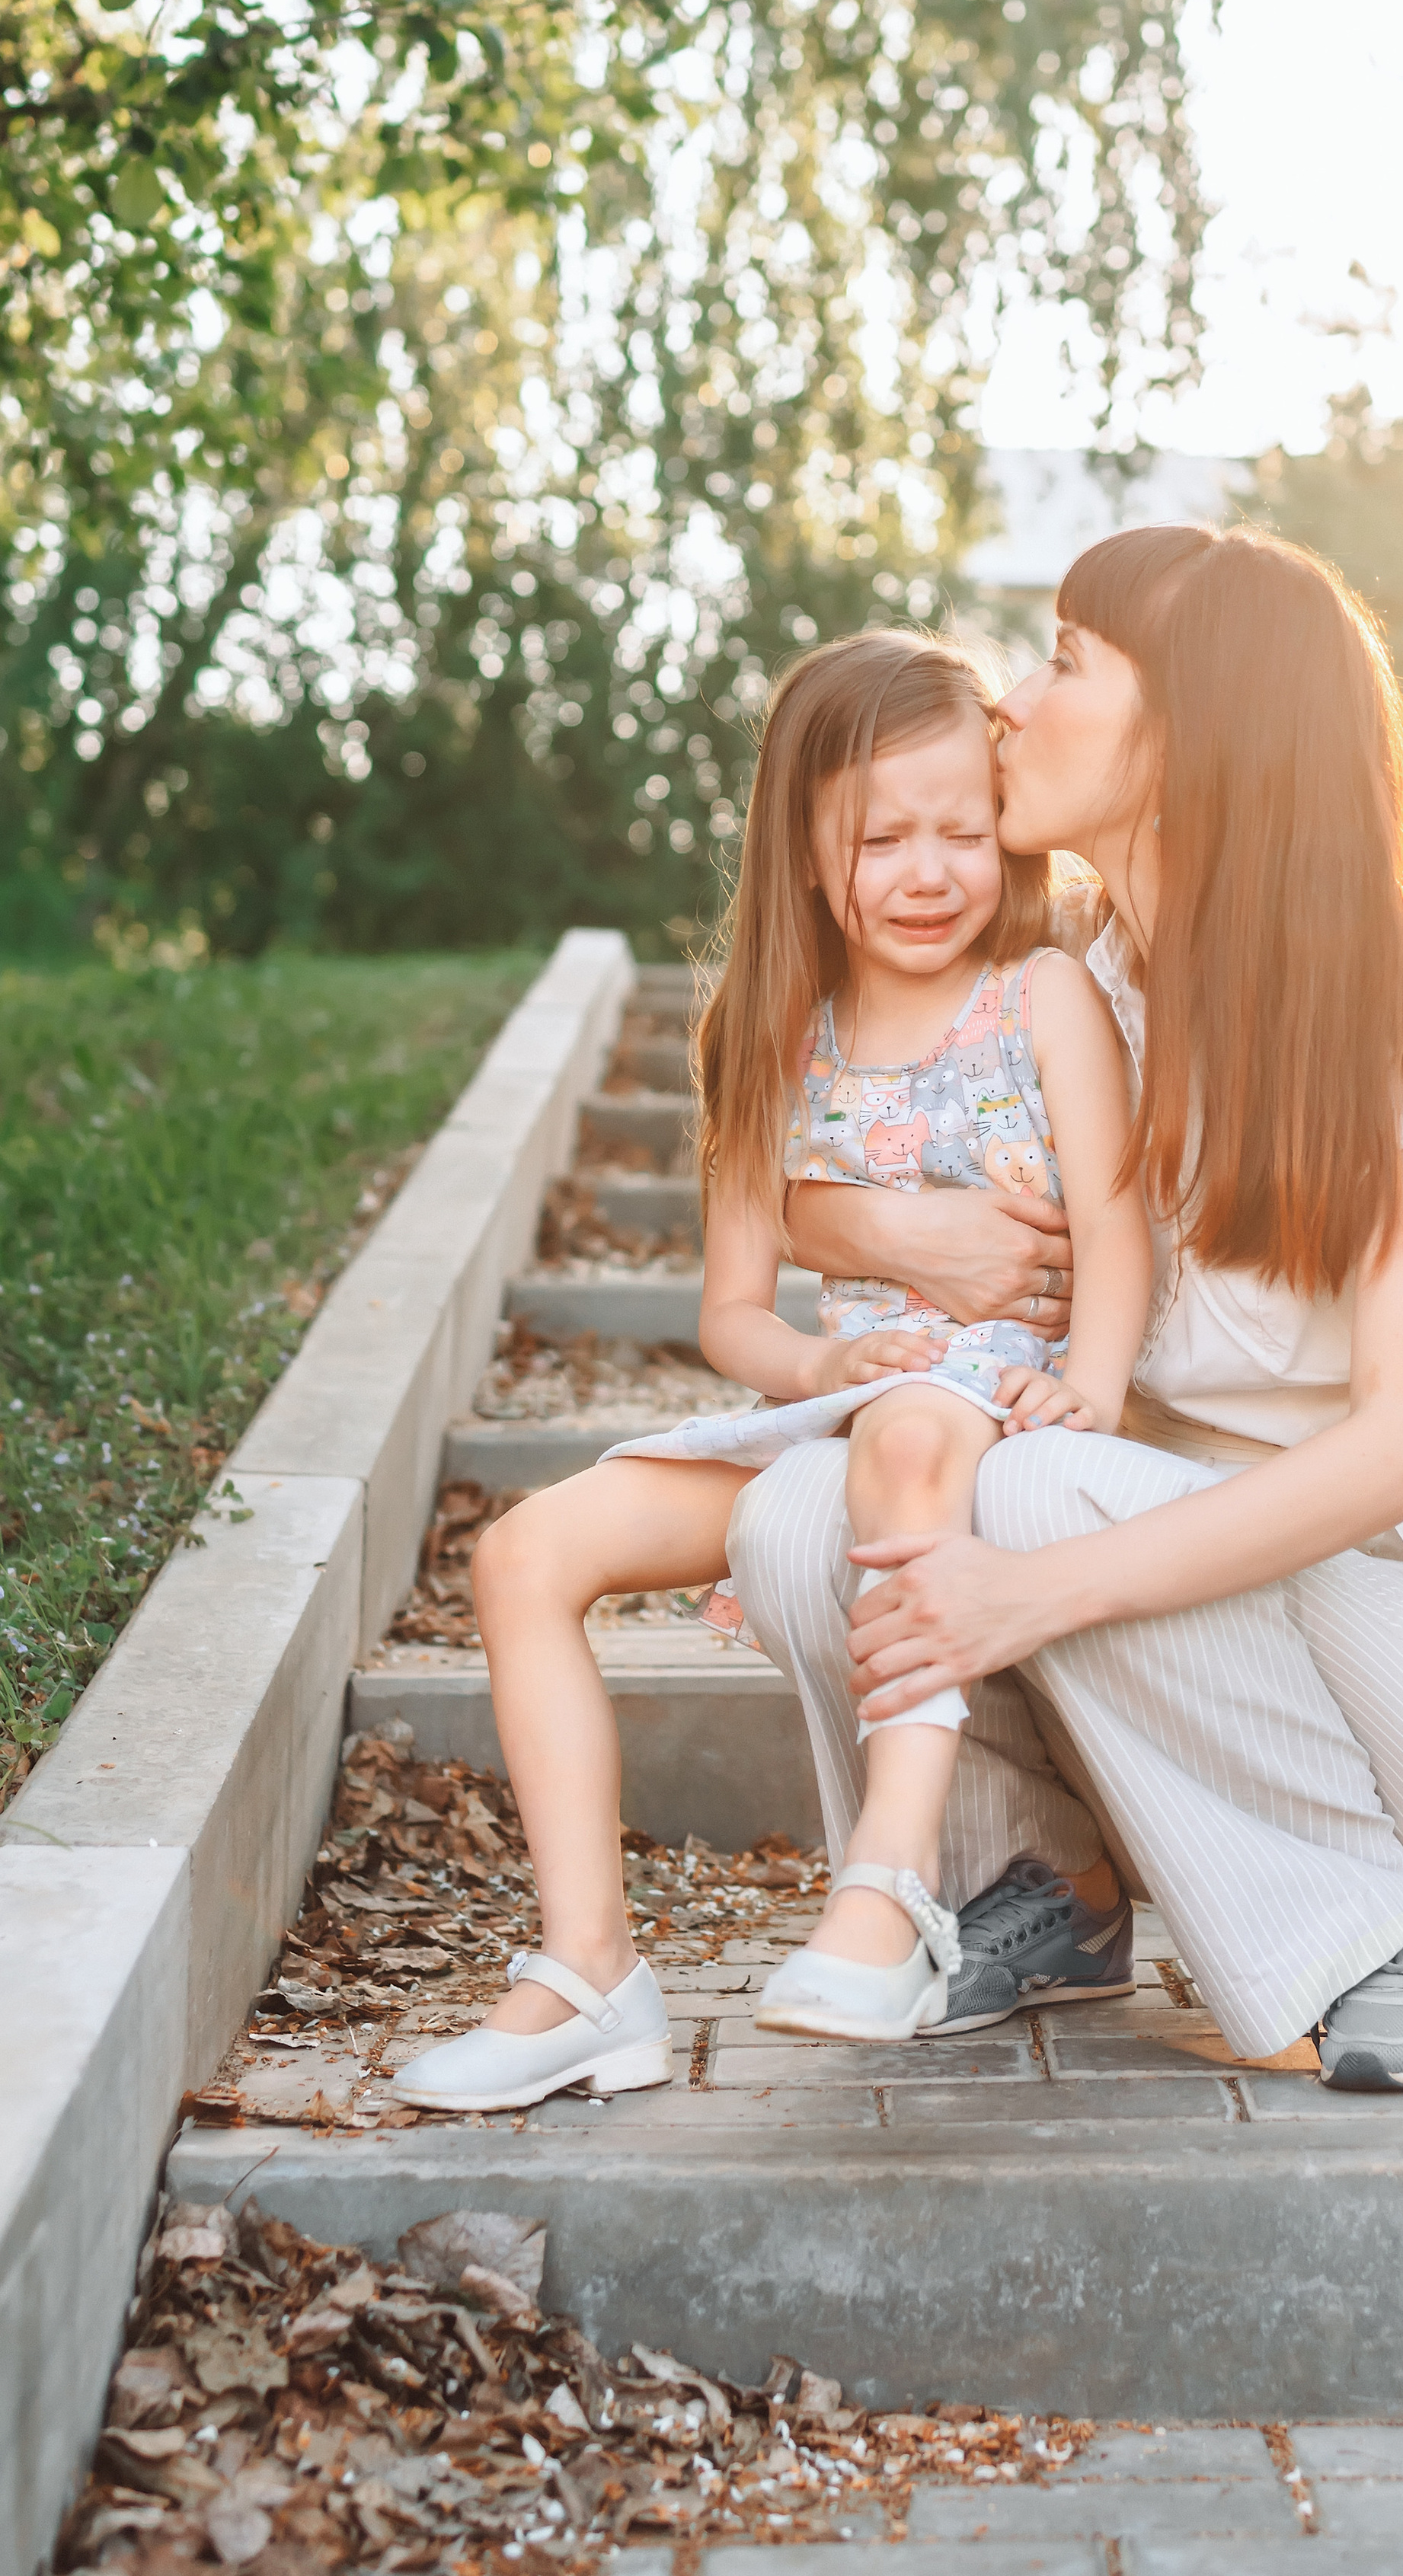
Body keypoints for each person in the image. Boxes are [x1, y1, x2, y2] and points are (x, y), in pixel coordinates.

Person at [725, 524, 1403, 2091]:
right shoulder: (1061, 988)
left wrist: (1036, 1592)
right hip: (1125, 1634)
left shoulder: (1399, 1020)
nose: (1007, 706)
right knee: (796, 1513)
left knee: (1039, 1485)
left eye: (1060, 660)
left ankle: (1363, 1934)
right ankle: (1036, 1889)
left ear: (1190, 723)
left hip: (1391, 1661)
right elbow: (815, 1139)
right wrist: (852, 1215)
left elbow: (1399, 1449)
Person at [391, 630, 1149, 2108]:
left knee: (914, 1432)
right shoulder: (770, 1035)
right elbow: (732, 1311)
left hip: (989, 1404)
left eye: (959, 830)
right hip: (839, 1400)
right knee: (522, 1553)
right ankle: (587, 1969)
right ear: (807, 849)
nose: (925, 871)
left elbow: (1114, 1223)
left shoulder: (1041, 999)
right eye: (880, 837)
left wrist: (1100, 1385)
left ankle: (885, 1893)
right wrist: (817, 1350)